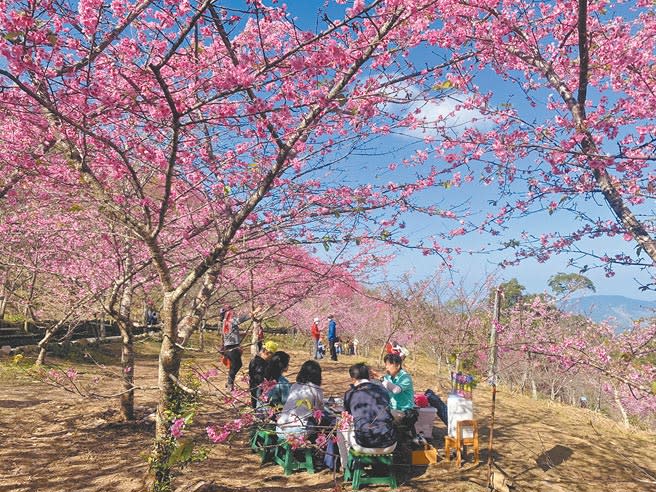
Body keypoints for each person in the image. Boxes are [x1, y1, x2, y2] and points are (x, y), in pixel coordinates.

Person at [342, 363, 397, 453]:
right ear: (369, 376)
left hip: (363, 445)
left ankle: (344, 464)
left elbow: (347, 415)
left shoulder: (350, 393)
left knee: (342, 426)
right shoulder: (383, 390)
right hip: (389, 444)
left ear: (353, 379)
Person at [276, 360, 325, 439]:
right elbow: (320, 411)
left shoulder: (294, 386)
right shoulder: (316, 389)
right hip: (297, 432)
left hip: (279, 429)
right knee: (316, 423)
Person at [378, 353, 418, 438]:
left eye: (389, 365)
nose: (386, 367)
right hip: (391, 409)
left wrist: (381, 379)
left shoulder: (405, 377)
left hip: (403, 411)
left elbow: (396, 390)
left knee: (384, 418)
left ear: (397, 365)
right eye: (386, 365)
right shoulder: (388, 377)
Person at [222, 306, 248, 391]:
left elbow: (230, 334)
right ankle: (230, 383)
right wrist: (254, 311)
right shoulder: (231, 321)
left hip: (228, 348)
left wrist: (240, 334)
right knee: (236, 366)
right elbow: (243, 318)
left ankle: (229, 382)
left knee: (234, 366)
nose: (233, 313)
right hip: (233, 348)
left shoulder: (224, 322)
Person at [248, 340, 278, 408]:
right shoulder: (259, 364)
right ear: (267, 352)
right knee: (258, 406)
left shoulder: (258, 361)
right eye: (272, 355)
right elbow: (259, 379)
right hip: (258, 389)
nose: (272, 357)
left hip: (255, 388)